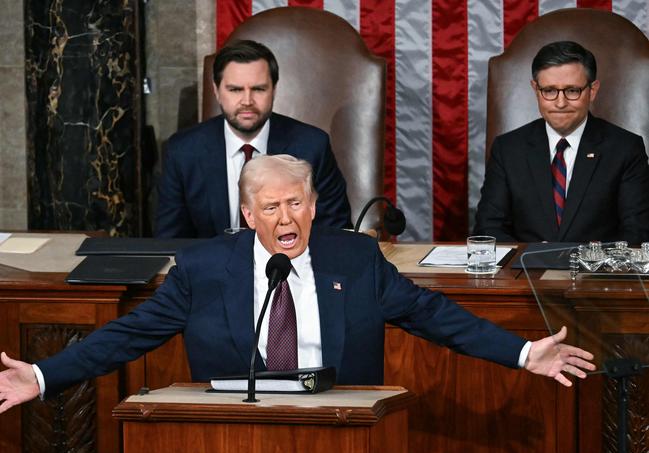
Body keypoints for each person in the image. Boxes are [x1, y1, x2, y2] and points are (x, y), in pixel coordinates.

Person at [0, 155, 595, 412]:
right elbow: (130, 335)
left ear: (314, 206)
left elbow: (434, 316)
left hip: (343, 425)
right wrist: (44, 373)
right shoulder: (206, 268)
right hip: (235, 432)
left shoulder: (355, 260)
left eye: (296, 204)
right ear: (248, 215)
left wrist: (521, 352)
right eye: (271, 208)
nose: (286, 220)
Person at [155, 39, 352, 238]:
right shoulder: (183, 151)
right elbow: (169, 242)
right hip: (211, 267)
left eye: (258, 89)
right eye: (235, 89)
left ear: (274, 90)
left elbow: (336, 234)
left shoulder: (312, 147)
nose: (247, 101)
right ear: (216, 91)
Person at [474, 40, 649, 244]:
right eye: (549, 91)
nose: (560, 103)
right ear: (536, 90)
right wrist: (534, 259)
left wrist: (580, 262)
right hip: (525, 272)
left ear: (592, 90)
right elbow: (489, 228)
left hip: (595, 273)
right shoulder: (508, 148)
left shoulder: (626, 148)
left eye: (572, 91)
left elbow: (638, 233)